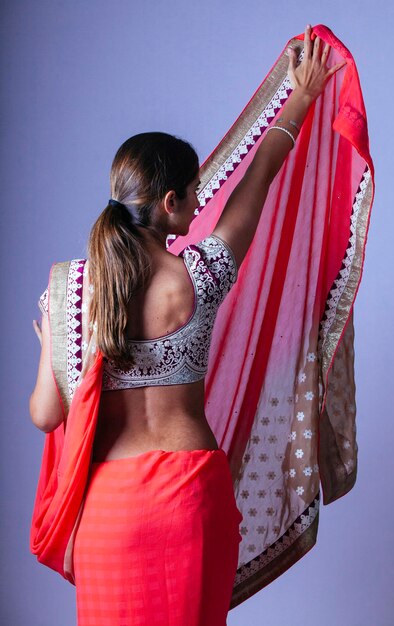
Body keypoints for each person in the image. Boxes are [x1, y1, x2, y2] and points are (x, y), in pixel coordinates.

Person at [30, 26, 346, 626]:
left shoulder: (69, 289)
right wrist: (299, 100)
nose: (203, 204)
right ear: (170, 202)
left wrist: (51, 344)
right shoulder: (200, 275)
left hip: (110, 511)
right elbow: (256, 185)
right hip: (189, 502)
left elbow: (48, 415)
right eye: (196, 193)